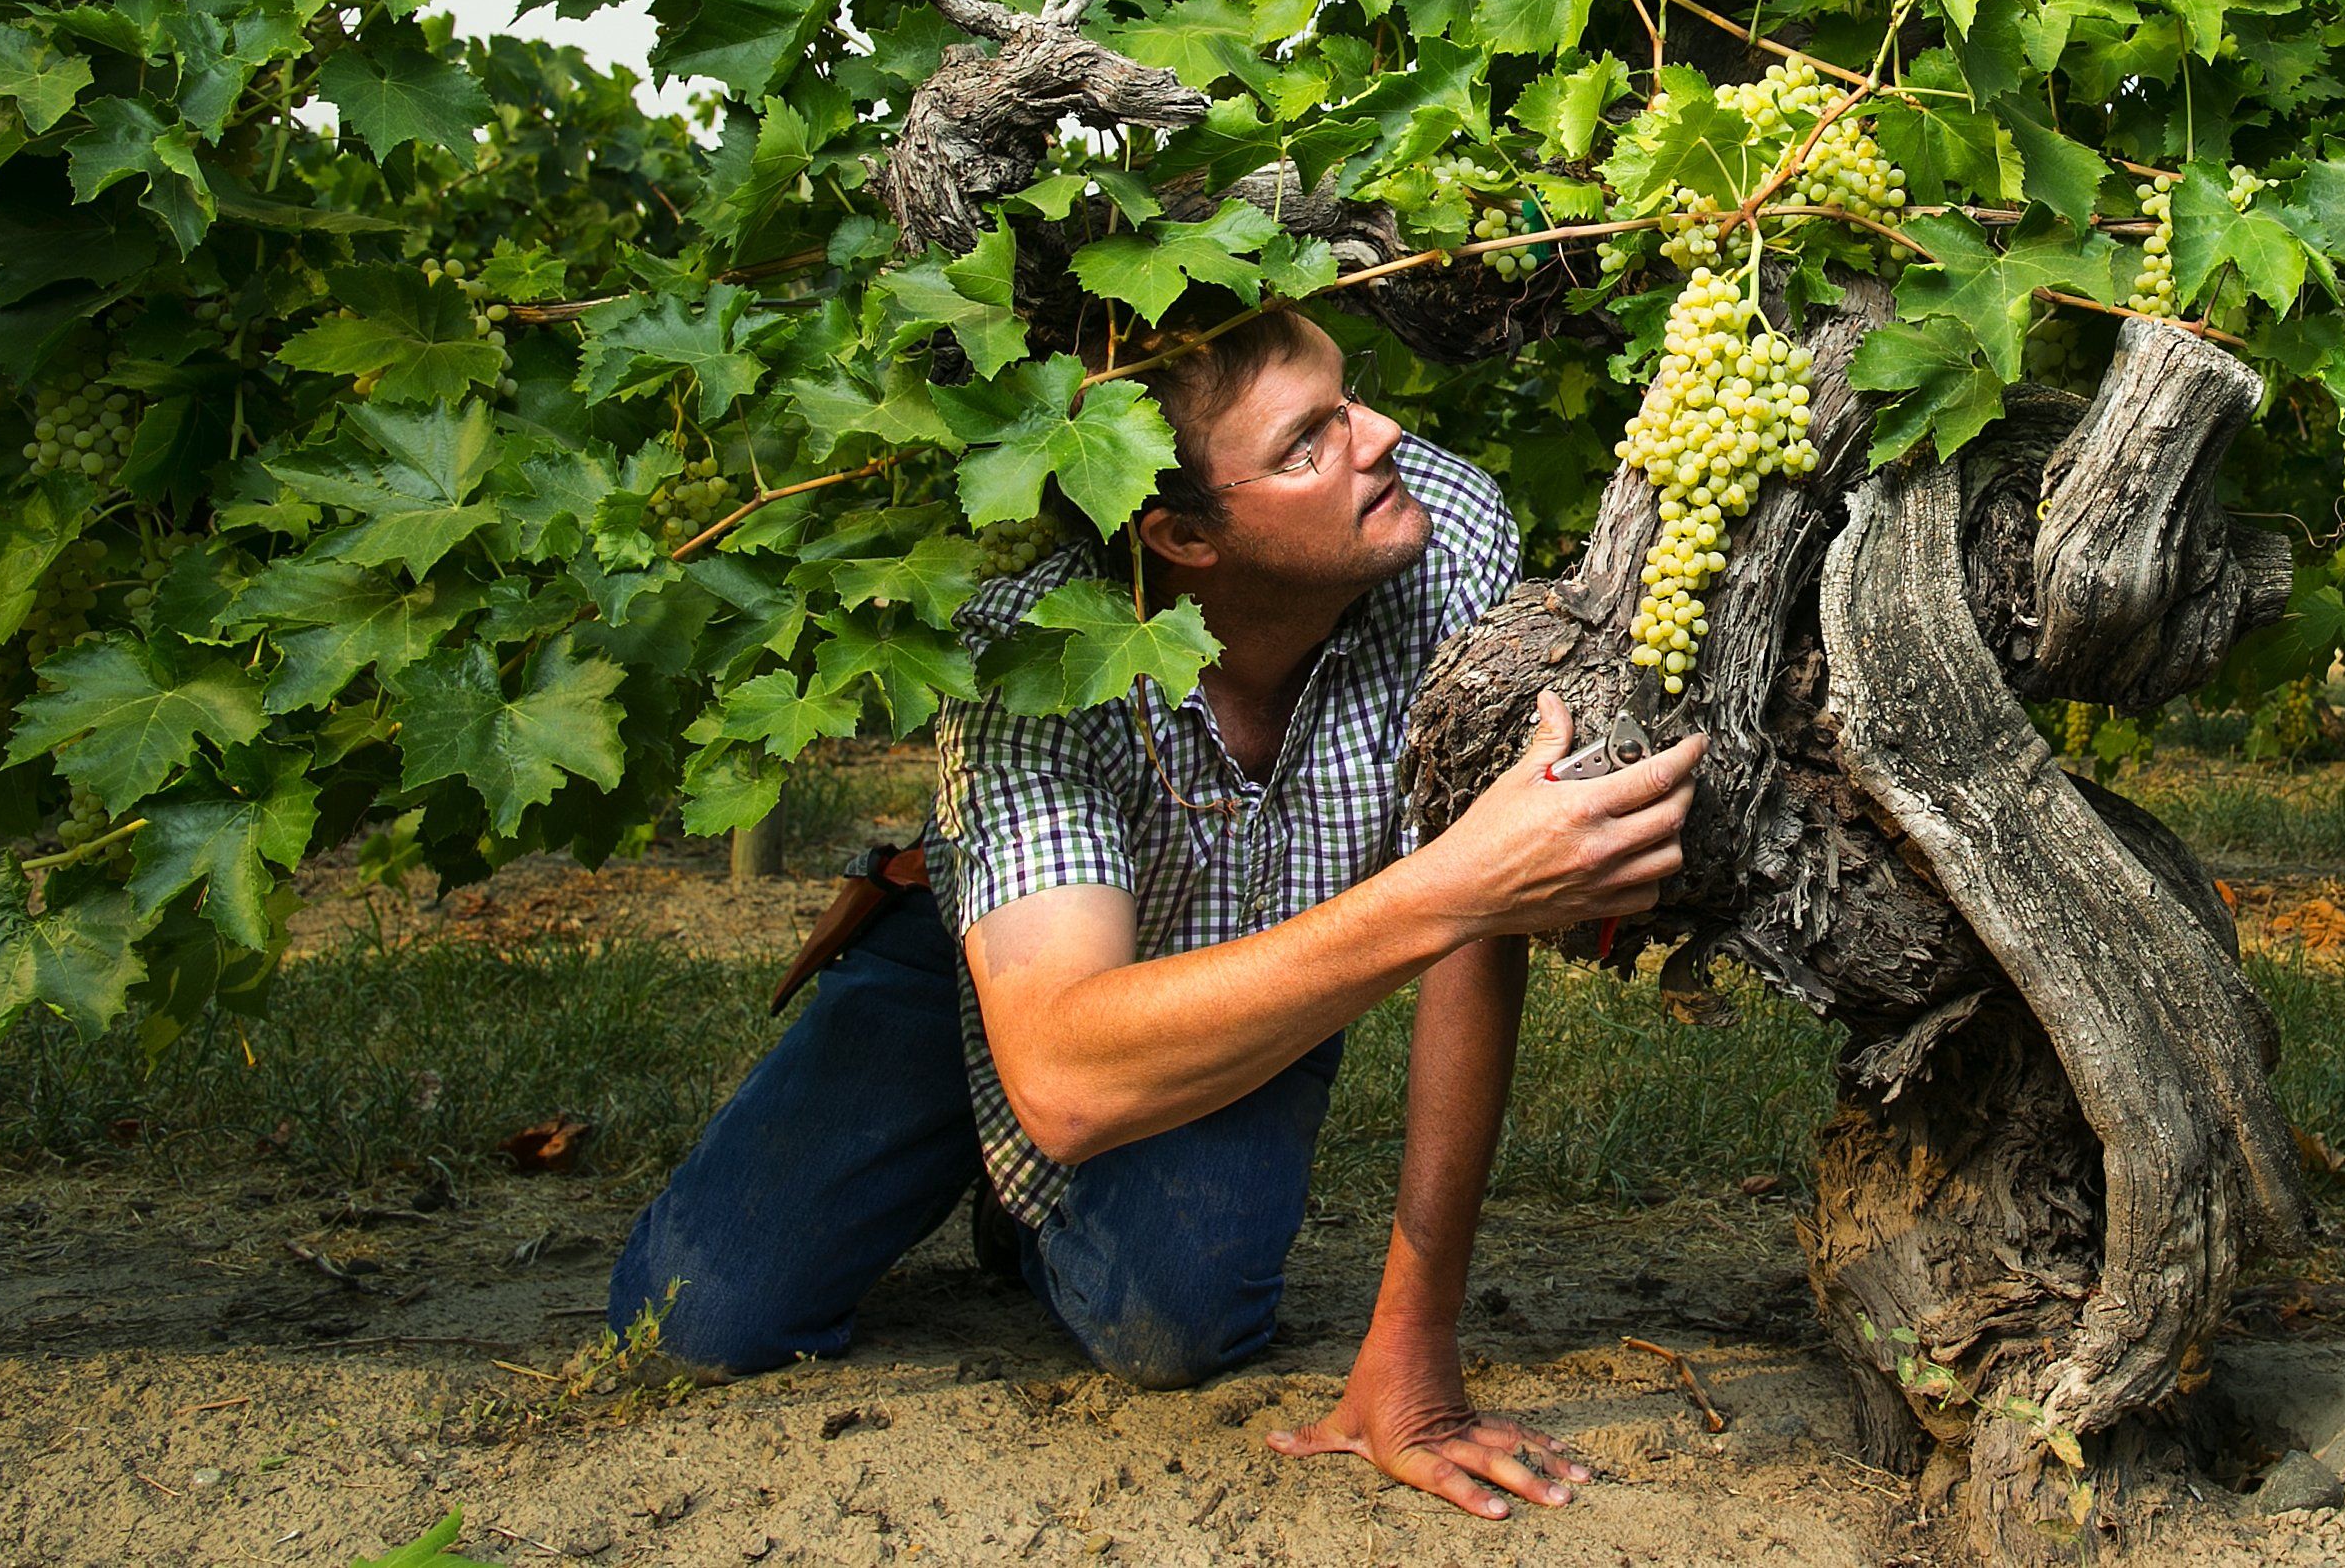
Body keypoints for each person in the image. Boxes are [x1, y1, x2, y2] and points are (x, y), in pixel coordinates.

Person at [609, 305, 1700, 1522]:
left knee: (1172, 1330)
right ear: (1182, 533)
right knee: (697, 1319)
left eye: (1354, 397)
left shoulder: (1437, 537)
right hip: (1002, 967)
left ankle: (1016, 1212)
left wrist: (1417, 1342)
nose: (1384, 437)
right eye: (1308, 442)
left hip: (1266, 990)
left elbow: (1471, 939)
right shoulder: (1030, 651)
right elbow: (1071, 1075)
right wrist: (1457, 882)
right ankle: (965, 1095)